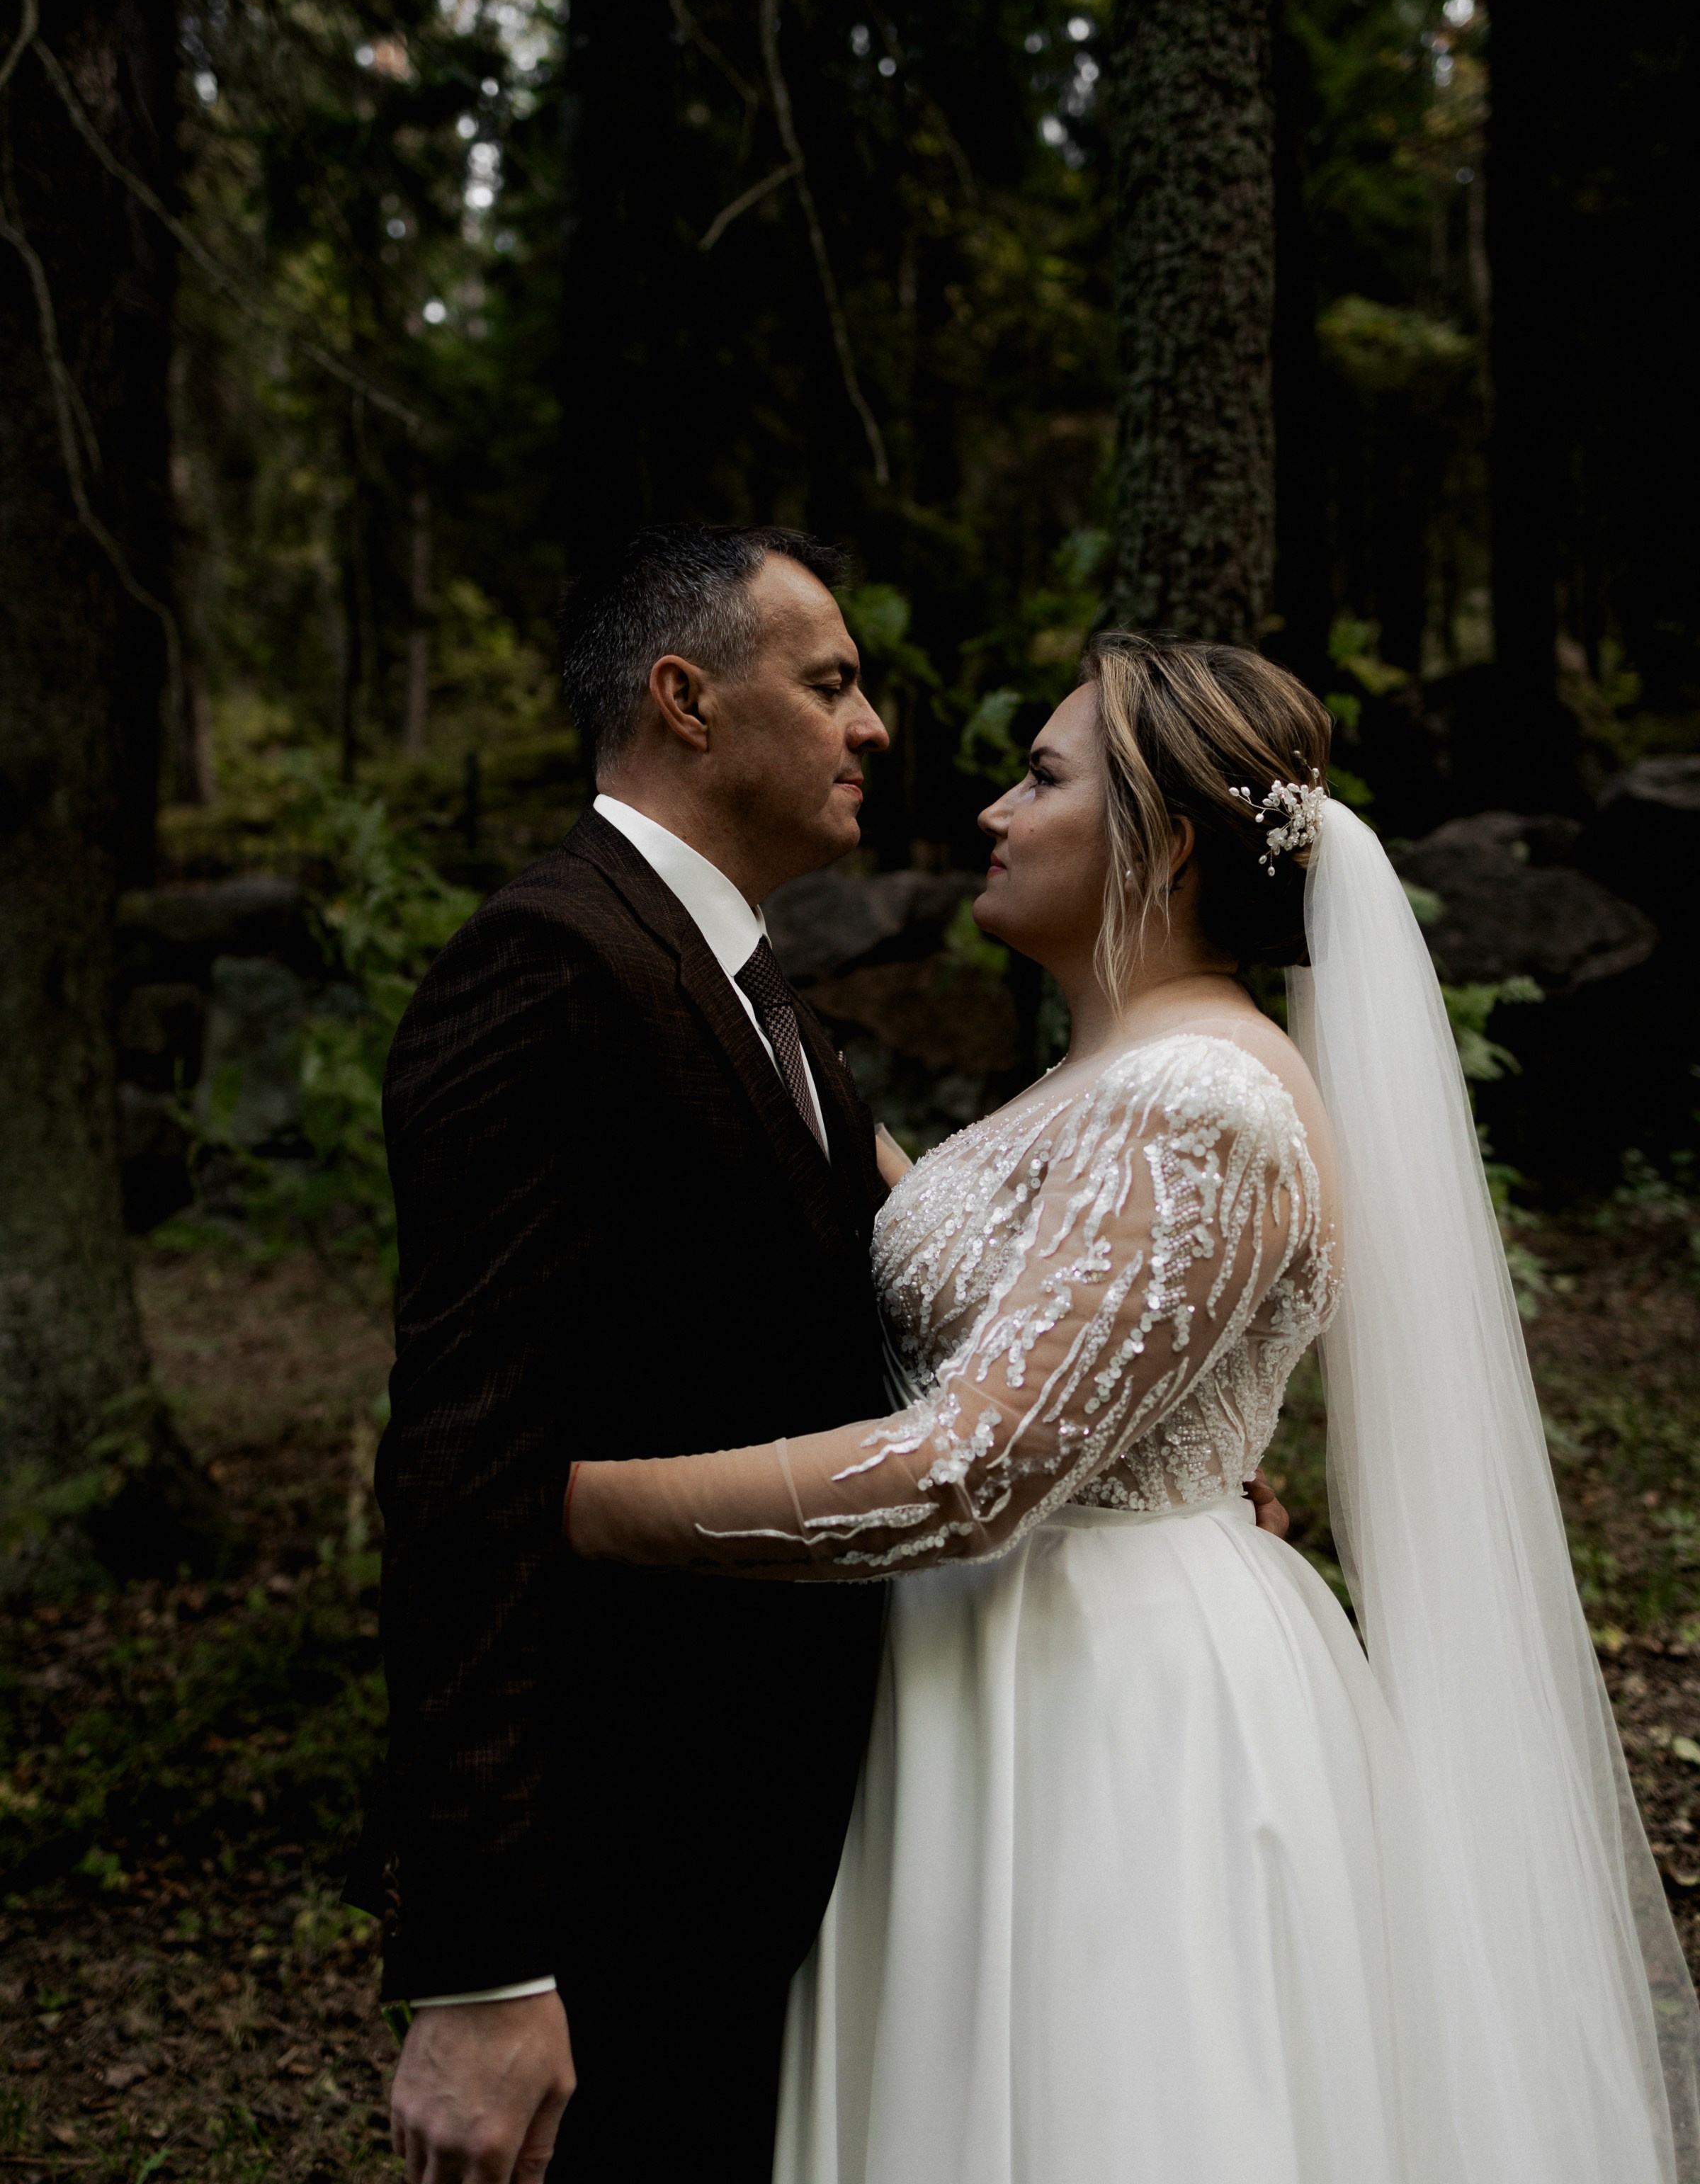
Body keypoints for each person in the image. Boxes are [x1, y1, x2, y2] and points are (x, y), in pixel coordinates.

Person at [568, 634, 1700, 2184]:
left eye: (1041, 778)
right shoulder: (1109, 1087)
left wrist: (577, 1507)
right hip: (996, 1664)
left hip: (1120, 1707)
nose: (992, 811)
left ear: (1162, 840)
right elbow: (970, 1271)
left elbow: (968, 1472)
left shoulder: (1206, 1104)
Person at [361, 528, 1296, 2184]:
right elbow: (457, 1468)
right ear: (687, 701)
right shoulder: (551, 968)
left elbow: (943, 1305)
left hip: (862, 1801)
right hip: (637, 1843)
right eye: (833, 681)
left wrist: (1160, 1434)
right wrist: (480, 1960)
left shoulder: (743, 988)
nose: (879, 727)